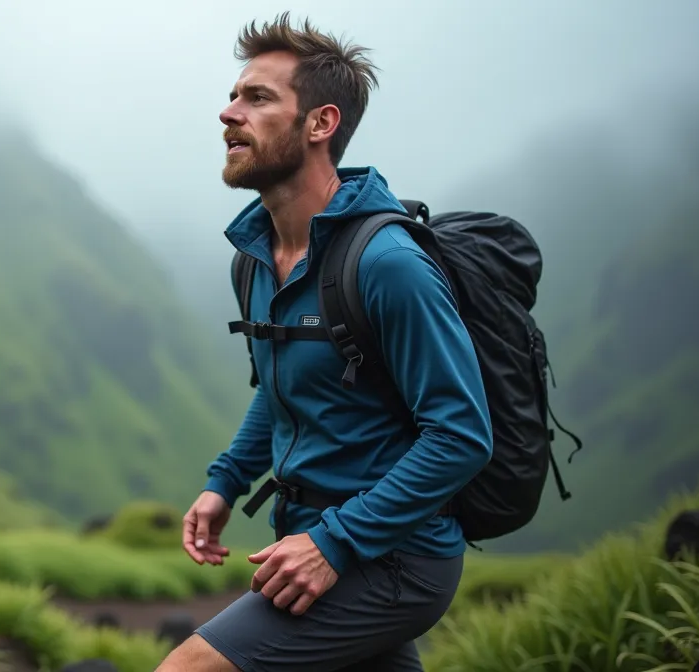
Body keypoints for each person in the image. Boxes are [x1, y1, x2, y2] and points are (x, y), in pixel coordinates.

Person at [157, 13, 494, 672]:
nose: (228, 114)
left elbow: (462, 434)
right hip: (311, 539)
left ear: (320, 124)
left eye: (257, 98)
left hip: (394, 556)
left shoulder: (387, 263)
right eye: (232, 96)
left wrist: (335, 544)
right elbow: (286, 389)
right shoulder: (254, 257)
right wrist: (226, 482)